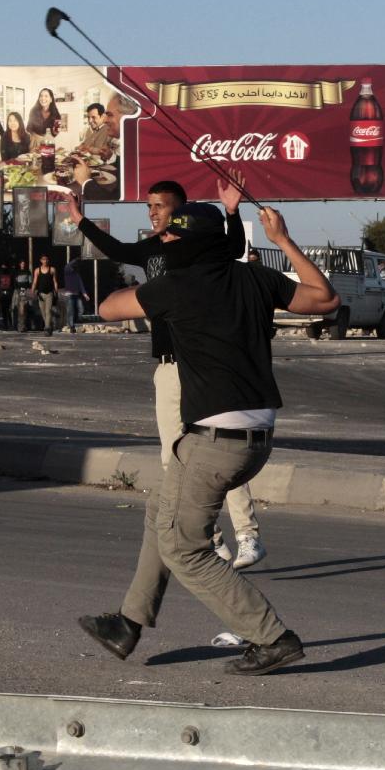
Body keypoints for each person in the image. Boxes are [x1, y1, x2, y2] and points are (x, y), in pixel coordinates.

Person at [78, 201, 340, 675]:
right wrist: (281, 239)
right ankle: (128, 623)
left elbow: (108, 308)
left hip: (215, 440)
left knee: (185, 547)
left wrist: (150, 281)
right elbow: (324, 298)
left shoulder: (175, 287)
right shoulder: (254, 278)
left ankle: (271, 637)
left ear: (195, 242)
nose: (166, 243)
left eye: (174, 238)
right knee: (162, 507)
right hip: (254, 435)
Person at [68, 171, 267, 569]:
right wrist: (81, 221)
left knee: (218, 452)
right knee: (172, 456)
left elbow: (231, 249)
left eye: (159, 206)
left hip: (205, 365)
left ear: (181, 211)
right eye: (149, 206)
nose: (152, 213)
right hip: (169, 365)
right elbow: (117, 248)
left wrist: (231, 212)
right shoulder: (151, 251)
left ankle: (247, 535)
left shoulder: (200, 250)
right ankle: (210, 539)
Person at [72, 92, 138, 202]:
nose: (106, 120)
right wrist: (111, 156)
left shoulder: (138, 151)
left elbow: (113, 204)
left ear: (128, 117)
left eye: (110, 115)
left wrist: (86, 181)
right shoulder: (133, 146)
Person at [32, 255, 59, 336]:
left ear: (48, 260)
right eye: (43, 259)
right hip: (40, 293)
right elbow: (34, 282)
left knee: (48, 311)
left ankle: (46, 328)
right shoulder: (37, 270)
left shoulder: (52, 269)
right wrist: (32, 291)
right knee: (43, 312)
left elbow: (55, 281)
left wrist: (56, 292)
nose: (45, 261)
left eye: (46, 259)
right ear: (41, 260)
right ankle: (49, 326)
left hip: (49, 293)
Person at [63, 258, 90, 332]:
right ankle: (71, 326)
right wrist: (77, 259)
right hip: (69, 294)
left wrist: (85, 295)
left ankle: (72, 322)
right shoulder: (67, 272)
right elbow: (68, 266)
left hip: (76, 294)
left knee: (81, 309)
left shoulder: (77, 275)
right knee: (70, 310)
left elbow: (81, 285)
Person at [12, 260, 32, 332]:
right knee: (19, 308)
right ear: (20, 264)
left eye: (24, 264)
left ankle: (23, 326)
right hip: (18, 290)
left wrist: (29, 290)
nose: (23, 265)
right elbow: (15, 281)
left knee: (23, 308)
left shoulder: (27, 272)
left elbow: (30, 281)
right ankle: (20, 326)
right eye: (22, 264)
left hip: (24, 290)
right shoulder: (17, 272)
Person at [0, 263, 14, 329]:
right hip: (1, 293)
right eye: (2, 266)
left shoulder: (10, 274)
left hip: (9, 293)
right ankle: (5, 325)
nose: (4, 267)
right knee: (3, 309)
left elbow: (13, 284)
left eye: (5, 266)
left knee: (9, 309)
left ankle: (11, 323)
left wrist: (13, 292)